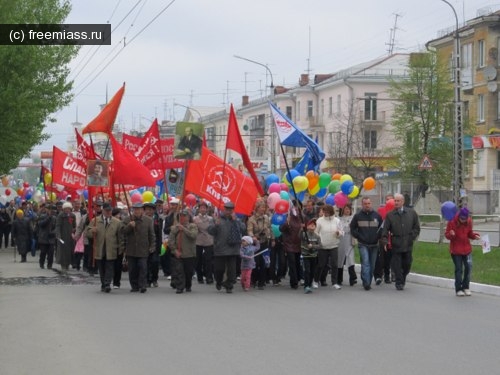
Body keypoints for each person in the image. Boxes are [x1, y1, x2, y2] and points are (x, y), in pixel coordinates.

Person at [381, 193, 420, 291]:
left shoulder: (411, 213)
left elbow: (416, 227)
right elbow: (385, 230)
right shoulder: (390, 215)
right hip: (396, 243)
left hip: (408, 243)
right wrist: (385, 241)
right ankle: (399, 282)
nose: (396, 202)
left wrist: (412, 237)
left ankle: (403, 278)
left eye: (398, 201)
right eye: (395, 201)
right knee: (397, 265)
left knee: (407, 264)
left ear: (403, 202)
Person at [86, 203, 125, 293]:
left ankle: (107, 283)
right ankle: (103, 284)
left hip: (111, 248)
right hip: (100, 248)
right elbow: (87, 233)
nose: (108, 212)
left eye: (110, 211)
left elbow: (120, 237)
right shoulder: (95, 220)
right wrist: (92, 231)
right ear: (103, 211)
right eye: (106, 210)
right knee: (101, 268)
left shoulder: (117, 222)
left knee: (110, 267)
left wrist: (121, 248)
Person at [208, 201, 246, 293]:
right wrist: (216, 225)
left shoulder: (236, 219)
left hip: (233, 248)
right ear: (223, 209)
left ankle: (229, 285)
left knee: (232, 270)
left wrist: (236, 220)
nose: (228, 212)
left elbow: (243, 229)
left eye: (230, 210)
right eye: (226, 209)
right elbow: (210, 231)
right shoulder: (218, 219)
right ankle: (219, 281)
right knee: (219, 269)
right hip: (220, 248)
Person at [444, 207, 480, 297]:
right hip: (456, 250)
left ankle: (466, 287)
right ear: (459, 216)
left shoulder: (469, 221)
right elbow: (447, 234)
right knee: (459, 269)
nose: (463, 221)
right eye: (462, 219)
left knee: (468, 267)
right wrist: (451, 234)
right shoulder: (452, 221)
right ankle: (458, 289)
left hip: (467, 249)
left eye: (465, 219)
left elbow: (470, 233)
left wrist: (475, 236)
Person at [350, 196, 383, 291]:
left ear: (371, 204)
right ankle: (366, 283)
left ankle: (366, 278)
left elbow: (381, 228)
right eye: (365, 204)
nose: (367, 205)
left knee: (372, 265)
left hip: (374, 244)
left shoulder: (377, 215)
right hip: (362, 244)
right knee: (366, 263)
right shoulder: (357, 216)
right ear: (362, 204)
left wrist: (378, 236)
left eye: (368, 203)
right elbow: (352, 228)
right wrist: (359, 236)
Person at [122, 202, 155, 293]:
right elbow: (123, 232)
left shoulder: (148, 220)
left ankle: (143, 285)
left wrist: (152, 246)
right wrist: (129, 226)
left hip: (143, 249)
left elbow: (151, 235)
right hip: (131, 249)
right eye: (135, 209)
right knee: (132, 269)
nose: (137, 211)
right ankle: (134, 286)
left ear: (142, 210)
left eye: (139, 209)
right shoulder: (127, 219)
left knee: (143, 268)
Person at [168, 210, 198, 294]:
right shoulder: (175, 228)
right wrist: (175, 251)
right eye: (181, 216)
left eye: (184, 216)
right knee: (179, 271)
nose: (182, 218)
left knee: (188, 272)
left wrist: (184, 229)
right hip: (179, 254)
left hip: (189, 254)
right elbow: (171, 240)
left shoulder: (193, 226)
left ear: (188, 217)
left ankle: (188, 285)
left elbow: (193, 236)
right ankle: (180, 287)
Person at [247, 200, 273, 290]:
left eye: (264, 207)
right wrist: (252, 237)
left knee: (263, 262)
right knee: (256, 262)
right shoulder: (252, 219)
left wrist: (272, 238)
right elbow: (249, 230)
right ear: (257, 208)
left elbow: (270, 228)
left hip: (265, 242)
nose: (263, 209)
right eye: (261, 207)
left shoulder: (266, 218)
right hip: (255, 243)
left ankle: (261, 282)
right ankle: (254, 279)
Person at [279, 202, 303, 290]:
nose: (296, 211)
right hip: (289, 245)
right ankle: (294, 282)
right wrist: (286, 223)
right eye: (295, 209)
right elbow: (281, 229)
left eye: (297, 209)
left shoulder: (302, 218)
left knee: (297, 263)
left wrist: (304, 227)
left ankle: (299, 278)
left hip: (298, 244)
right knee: (292, 263)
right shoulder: (287, 218)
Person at [374, 193, 394, 284]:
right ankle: (380, 274)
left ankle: (388, 275)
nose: (388, 201)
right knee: (382, 257)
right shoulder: (381, 210)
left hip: (393, 238)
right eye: (387, 199)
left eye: (390, 199)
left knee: (390, 258)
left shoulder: (396, 212)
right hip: (383, 237)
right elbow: (378, 224)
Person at [193, 201, 215, 284]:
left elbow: (212, 229)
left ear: (207, 209)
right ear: (198, 209)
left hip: (208, 241)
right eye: (201, 208)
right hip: (198, 241)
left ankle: (209, 277)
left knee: (208, 260)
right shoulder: (195, 219)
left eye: (204, 208)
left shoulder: (210, 219)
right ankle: (200, 277)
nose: (203, 209)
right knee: (198, 260)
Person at [337, 203, 357, 286]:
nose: (347, 210)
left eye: (349, 209)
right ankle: (339, 279)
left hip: (349, 239)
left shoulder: (353, 219)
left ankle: (352, 278)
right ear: (342, 210)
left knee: (350, 258)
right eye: (346, 209)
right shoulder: (338, 219)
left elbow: (356, 229)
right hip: (341, 240)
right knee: (340, 259)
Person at [301, 219, 321, 294]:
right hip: (306, 255)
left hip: (313, 255)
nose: (312, 225)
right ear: (307, 226)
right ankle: (306, 286)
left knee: (312, 271)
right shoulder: (304, 234)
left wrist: (312, 246)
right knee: (307, 270)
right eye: (311, 224)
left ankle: (309, 284)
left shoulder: (317, 236)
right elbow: (299, 236)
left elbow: (320, 245)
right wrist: (301, 228)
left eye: (314, 224)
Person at [144, 202, 162, 288]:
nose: (148, 211)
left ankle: (154, 279)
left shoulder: (158, 220)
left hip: (155, 244)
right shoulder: (142, 219)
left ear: (153, 211)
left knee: (155, 262)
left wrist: (158, 247)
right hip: (145, 245)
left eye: (150, 210)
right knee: (146, 263)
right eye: (147, 210)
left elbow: (159, 234)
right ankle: (148, 280)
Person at [55, 202, 76, 272]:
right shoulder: (60, 216)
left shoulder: (72, 216)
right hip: (62, 236)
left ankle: (68, 264)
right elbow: (58, 226)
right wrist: (58, 235)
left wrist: (74, 232)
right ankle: (63, 264)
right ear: (63, 209)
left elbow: (74, 226)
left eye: (68, 209)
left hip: (70, 236)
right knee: (62, 251)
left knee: (70, 251)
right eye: (66, 209)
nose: (67, 210)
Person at [36, 204, 57, 269]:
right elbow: (40, 224)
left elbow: (56, 227)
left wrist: (53, 232)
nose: (50, 211)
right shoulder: (42, 216)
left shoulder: (54, 218)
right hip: (43, 237)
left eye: (51, 209)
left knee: (51, 253)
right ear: (46, 209)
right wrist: (48, 218)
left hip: (51, 238)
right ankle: (41, 263)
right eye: (49, 209)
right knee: (43, 252)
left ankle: (49, 264)